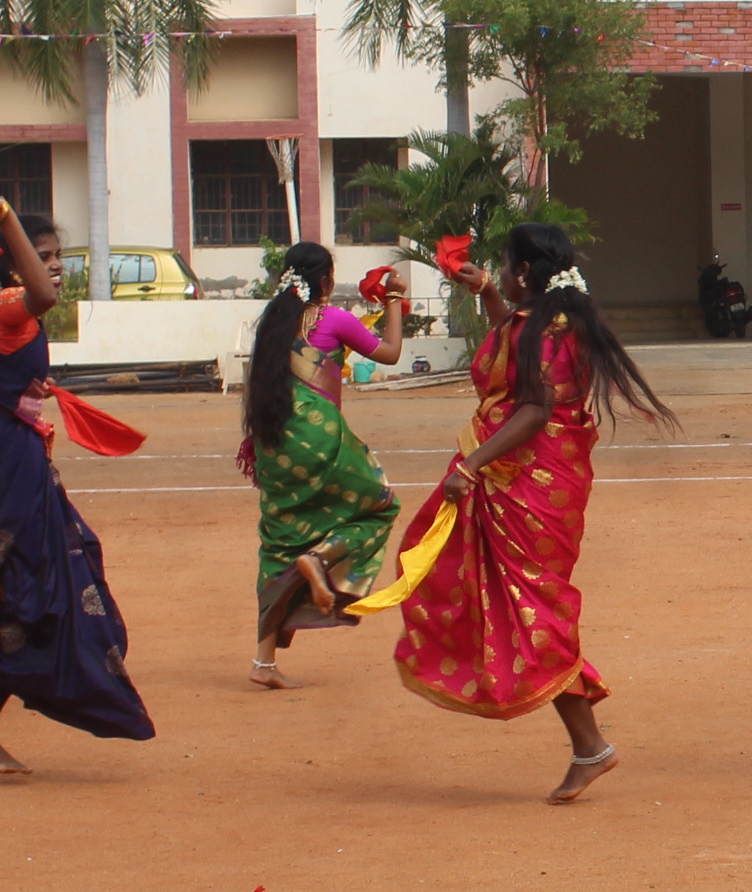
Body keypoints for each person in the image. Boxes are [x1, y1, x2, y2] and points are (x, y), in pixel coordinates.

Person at [384, 222, 672, 803]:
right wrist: (486, 289)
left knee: (527, 606)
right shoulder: (554, 318)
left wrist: (471, 466)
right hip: (540, 477)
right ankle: (590, 746)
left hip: (523, 478)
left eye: (504, 265)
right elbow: (512, 353)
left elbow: (534, 407)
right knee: (522, 602)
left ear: (525, 274)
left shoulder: (542, 329)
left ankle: (592, 746)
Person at [0, 194, 154, 772]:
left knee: (41, 594)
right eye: (42, 254)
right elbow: (45, 294)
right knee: (37, 591)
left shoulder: (12, 311)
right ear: (12, 260)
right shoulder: (9, 304)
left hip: (8, 455)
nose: (55, 264)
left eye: (57, 254)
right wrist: (5, 218)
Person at [239, 242, 406, 689]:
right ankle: (319, 558)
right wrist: (392, 301)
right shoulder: (334, 319)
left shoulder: (271, 324)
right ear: (326, 282)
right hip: (321, 441)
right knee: (380, 506)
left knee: (278, 539)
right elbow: (389, 353)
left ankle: (264, 663)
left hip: (273, 444)